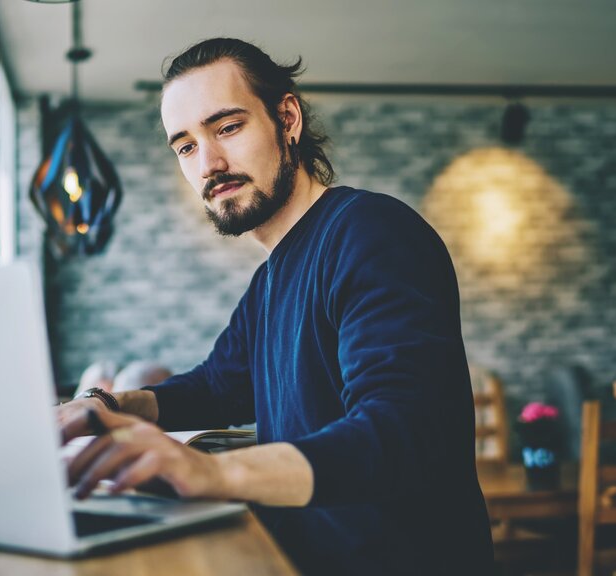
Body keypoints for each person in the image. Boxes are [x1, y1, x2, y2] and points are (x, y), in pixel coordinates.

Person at [54, 38, 494, 574]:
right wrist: (107, 407)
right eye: (186, 146)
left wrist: (215, 474)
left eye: (227, 127)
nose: (209, 164)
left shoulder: (371, 232)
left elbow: (402, 430)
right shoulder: (269, 280)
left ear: (287, 119)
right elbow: (216, 386)